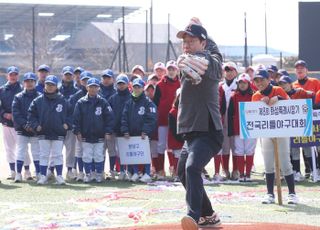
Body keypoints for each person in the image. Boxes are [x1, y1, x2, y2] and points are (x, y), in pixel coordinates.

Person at [176, 23, 223, 229]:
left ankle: (193, 216)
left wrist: (205, 44)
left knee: (193, 167)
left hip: (209, 130)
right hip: (192, 132)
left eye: (192, 41)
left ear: (203, 42)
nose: (187, 45)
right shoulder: (183, 63)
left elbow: (212, 58)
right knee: (183, 172)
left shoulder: (211, 63)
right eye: (184, 41)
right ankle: (209, 214)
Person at [252, 68, 298, 205]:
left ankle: (292, 193)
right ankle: (269, 193)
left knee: (285, 162)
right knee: (268, 164)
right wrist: (262, 101)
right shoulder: (255, 96)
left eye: (262, 80)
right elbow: (253, 116)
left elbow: (291, 105)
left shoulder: (278, 90)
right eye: (257, 80)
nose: (259, 83)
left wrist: (278, 98)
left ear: (268, 79)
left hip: (281, 131)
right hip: (266, 133)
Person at [28, 75, 72, 185]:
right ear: (45, 85)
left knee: (58, 155)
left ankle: (60, 176)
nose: (50, 87)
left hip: (58, 132)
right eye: (48, 84)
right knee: (43, 155)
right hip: (43, 132)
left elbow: (70, 114)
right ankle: (43, 176)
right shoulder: (38, 100)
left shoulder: (63, 100)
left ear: (56, 86)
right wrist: (35, 125)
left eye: (52, 85)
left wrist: (67, 124)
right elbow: (31, 115)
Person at [73, 78, 114, 183]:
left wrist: (108, 131)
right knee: (86, 156)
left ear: (98, 88)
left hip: (99, 135)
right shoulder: (81, 102)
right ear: (87, 88)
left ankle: (99, 174)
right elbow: (76, 119)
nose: (93, 89)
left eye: (95, 87)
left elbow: (109, 118)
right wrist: (77, 131)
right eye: (91, 86)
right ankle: (88, 174)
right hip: (86, 135)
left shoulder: (103, 102)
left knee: (98, 155)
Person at [278, 75, 315, 182]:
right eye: (281, 84)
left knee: (307, 148)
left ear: (290, 84)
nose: (283, 86)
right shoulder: (280, 95)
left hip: (303, 124)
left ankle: (314, 171)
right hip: (290, 126)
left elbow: (312, 95)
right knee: (294, 150)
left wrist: (310, 108)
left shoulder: (299, 92)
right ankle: (297, 172)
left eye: (285, 83)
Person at [121, 78, 157, 183]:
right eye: (135, 87)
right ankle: (135, 172)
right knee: (134, 153)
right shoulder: (129, 102)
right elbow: (124, 117)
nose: (136, 89)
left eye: (139, 87)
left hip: (143, 134)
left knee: (145, 153)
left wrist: (145, 131)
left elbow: (151, 118)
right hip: (132, 133)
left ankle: (146, 173)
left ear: (143, 88)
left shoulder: (148, 102)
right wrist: (125, 130)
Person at [0, 66, 31, 180]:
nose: (13, 76)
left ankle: (27, 170)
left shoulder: (23, 89)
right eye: (11, 74)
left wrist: (18, 117)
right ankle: (12, 170)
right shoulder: (2, 89)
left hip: (20, 124)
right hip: (6, 123)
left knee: (22, 148)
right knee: (9, 148)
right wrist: (4, 114)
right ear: (7, 75)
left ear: (18, 76)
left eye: (15, 74)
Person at [152, 60, 180, 179]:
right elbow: (156, 103)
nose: (171, 71)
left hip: (177, 119)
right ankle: (160, 170)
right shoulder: (159, 84)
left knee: (175, 145)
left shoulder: (181, 83)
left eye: (173, 69)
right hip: (163, 119)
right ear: (166, 70)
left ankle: (175, 170)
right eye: (169, 69)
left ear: (177, 70)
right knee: (161, 145)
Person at [292, 60, 320, 178]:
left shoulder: (315, 82)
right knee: (298, 145)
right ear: (295, 71)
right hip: (298, 120)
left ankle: (315, 170)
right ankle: (301, 171)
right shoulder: (293, 85)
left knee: (314, 145)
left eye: (302, 67)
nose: (300, 70)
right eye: (297, 68)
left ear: (306, 70)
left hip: (314, 118)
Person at [12, 72, 41, 182]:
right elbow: (16, 114)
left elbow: (41, 113)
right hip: (22, 129)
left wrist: (33, 125)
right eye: (27, 81)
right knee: (20, 151)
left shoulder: (40, 96)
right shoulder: (18, 97)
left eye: (31, 81)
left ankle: (38, 173)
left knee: (36, 152)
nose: (29, 83)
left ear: (35, 82)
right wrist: (24, 125)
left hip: (34, 130)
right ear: (23, 83)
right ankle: (18, 174)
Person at [227, 73, 256, 182]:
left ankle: (248, 175)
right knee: (239, 151)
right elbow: (230, 114)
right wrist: (230, 130)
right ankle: (240, 175)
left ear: (249, 83)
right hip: (237, 128)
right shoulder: (233, 96)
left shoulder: (254, 95)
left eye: (244, 82)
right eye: (240, 83)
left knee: (249, 150)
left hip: (251, 129)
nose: (242, 85)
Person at [69, 71, 92, 181]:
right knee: (79, 152)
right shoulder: (76, 97)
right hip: (80, 130)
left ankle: (92, 172)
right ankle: (81, 172)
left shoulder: (98, 96)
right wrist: (76, 130)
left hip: (92, 130)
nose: (86, 82)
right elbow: (71, 114)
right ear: (81, 81)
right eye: (84, 80)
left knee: (92, 152)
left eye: (88, 80)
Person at [107, 74, 131, 180]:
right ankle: (112, 170)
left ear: (127, 84)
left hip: (126, 130)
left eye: (123, 83)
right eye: (119, 84)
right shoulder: (112, 98)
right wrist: (109, 128)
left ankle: (124, 171)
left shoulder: (131, 97)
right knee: (113, 151)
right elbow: (108, 115)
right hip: (114, 129)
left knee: (124, 152)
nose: (121, 86)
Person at [220, 61, 239, 180]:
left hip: (235, 118)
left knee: (236, 145)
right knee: (225, 145)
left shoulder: (240, 84)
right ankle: (225, 169)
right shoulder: (220, 86)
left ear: (236, 72)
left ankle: (236, 169)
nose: (229, 73)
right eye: (227, 70)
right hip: (223, 118)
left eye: (231, 70)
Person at [59, 66, 78, 180]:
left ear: (73, 76)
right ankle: (52, 170)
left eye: (70, 75)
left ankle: (70, 170)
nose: (68, 76)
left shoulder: (76, 91)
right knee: (55, 150)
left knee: (71, 149)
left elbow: (76, 110)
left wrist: (68, 123)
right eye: (66, 74)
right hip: (57, 126)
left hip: (70, 126)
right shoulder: (57, 89)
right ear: (63, 75)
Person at [167, 88, 183, 181]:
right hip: (176, 138)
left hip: (185, 137)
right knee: (177, 155)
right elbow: (173, 129)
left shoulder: (189, 109)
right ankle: (177, 174)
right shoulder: (173, 112)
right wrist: (181, 138)